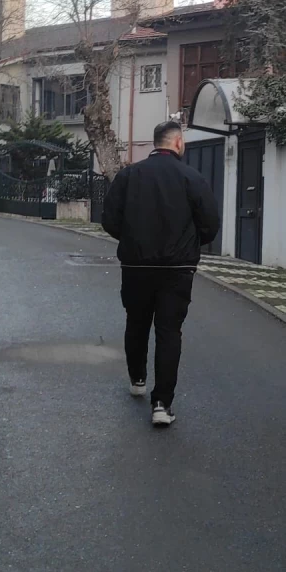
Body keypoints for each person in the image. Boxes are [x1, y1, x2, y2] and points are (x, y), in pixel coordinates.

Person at [102, 120, 220, 427]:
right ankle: (162, 405)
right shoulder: (192, 178)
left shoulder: (129, 176)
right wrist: (188, 244)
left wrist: (132, 240)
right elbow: (210, 224)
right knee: (169, 332)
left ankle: (137, 379)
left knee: (136, 322)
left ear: (156, 143)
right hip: (177, 269)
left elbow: (109, 219)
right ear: (178, 143)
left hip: (136, 266)